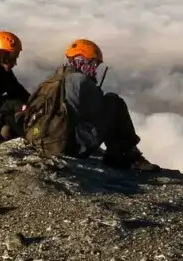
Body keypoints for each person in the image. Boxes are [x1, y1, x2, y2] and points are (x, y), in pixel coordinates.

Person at [59, 38, 156, 170]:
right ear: (82, 60)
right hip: (74, 147)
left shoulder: (57, 78)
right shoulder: (81, 81)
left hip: (53, 142)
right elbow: (96, 110)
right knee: (113, 101)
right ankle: (126, 155)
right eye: (93, 64)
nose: (94, 69)